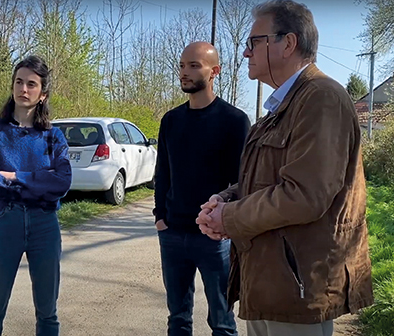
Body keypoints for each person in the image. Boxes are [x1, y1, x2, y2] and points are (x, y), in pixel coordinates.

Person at [196, 1, 374, 336]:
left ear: (287, 43)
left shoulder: (321, 98)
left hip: (299, 291)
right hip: (271, 285)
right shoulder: (280, 109)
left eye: (254, 43)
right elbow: (266, 181)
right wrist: (224, 200)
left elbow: (305, 194)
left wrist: (229, 218)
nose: (246, 53)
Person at [153, 41, 251, 336]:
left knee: (222, 322)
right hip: (173, 234)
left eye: (194, 65)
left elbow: (243, 181)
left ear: (214, 72)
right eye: (182, 65)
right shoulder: (171, 120)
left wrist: (228, 224)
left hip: (215, 238)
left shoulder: (234, 121)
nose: (185, 72)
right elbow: (163, 173)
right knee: (178, 319)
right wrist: (161, 217)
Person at [0, 55, 72, 336]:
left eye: (31, 84)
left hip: (44, 225)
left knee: (48, 313)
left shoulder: (54, 137)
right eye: (19, 82)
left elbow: (62, 182)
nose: (23, 89)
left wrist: (15, 176)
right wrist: (40, 183)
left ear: (43, 94)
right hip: (4, 223)